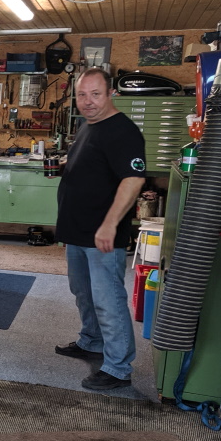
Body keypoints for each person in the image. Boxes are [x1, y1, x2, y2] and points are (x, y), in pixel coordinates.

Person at [55, 67, 146, 391]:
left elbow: (133, 179)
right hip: (79, 232)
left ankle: (118, 368)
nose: (88, 101)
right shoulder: (88, 126)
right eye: (82, 95)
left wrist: (109, 224)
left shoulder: (122, 131)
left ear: (111, 94)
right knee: (83, 293)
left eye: (95, 94)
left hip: (102, 235)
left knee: (109, 300)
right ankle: (91, 341)